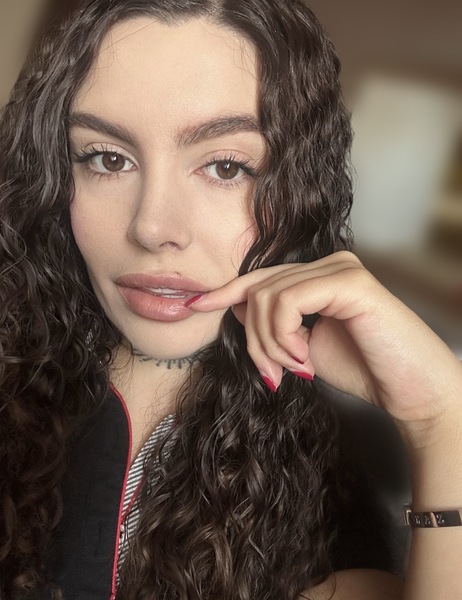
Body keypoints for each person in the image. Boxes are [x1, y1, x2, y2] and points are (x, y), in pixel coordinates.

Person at [0, 0, 461, 598]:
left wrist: (440, 417)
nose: (153, 228)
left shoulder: (344, 486)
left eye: (225, 167)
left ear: (298, 189)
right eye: (108, 159)